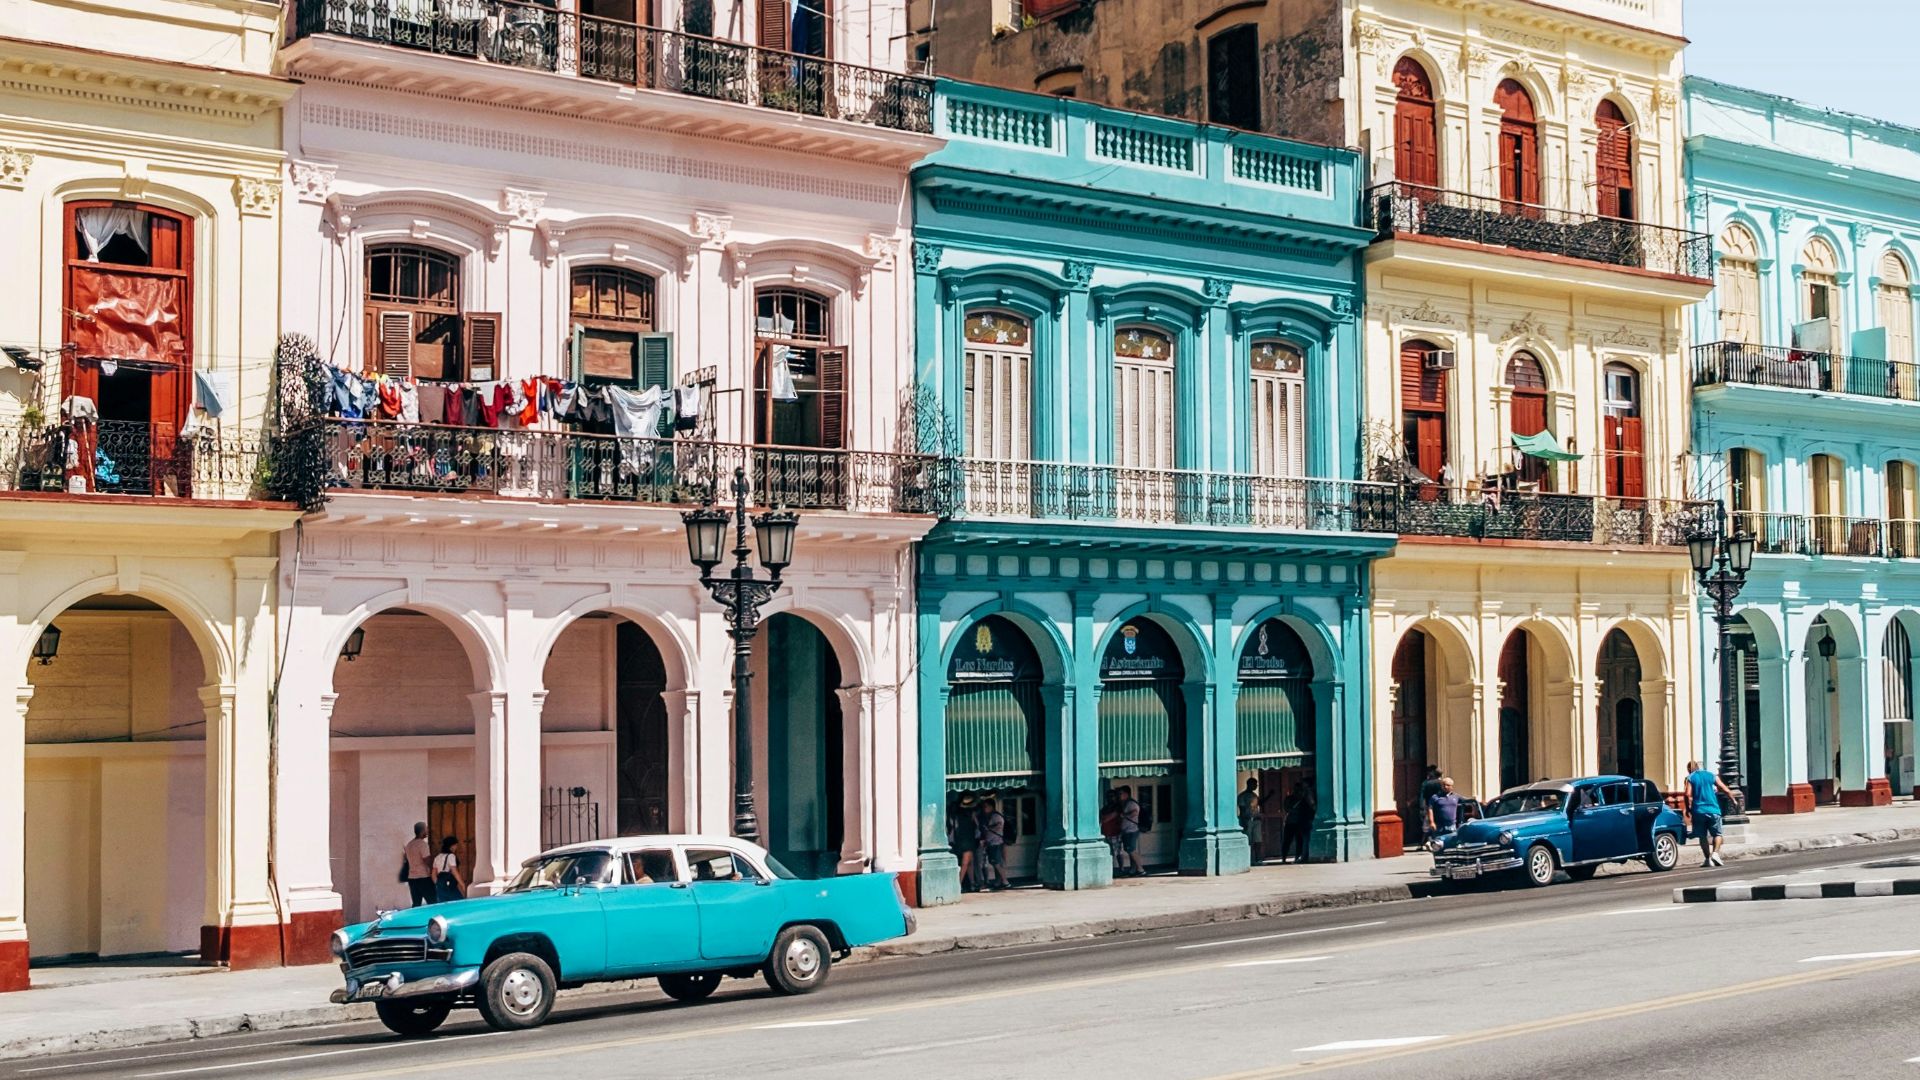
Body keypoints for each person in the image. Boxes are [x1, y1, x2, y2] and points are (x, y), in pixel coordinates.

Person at [1685, 759, 1737, 867]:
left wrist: (1688, 808)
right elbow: (1724, 789)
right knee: (1717, 834)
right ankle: (1715, 854)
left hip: (1698, 811)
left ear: (1690, 769)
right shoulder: (1711, 775)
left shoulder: (1691, 778)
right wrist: (1734, 800)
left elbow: (1687, 794)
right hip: (1713, 810)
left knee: (1702, 836)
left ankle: (1708, 859)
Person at [979, 796, 1011, 891]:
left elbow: (998, 826)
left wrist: (988, 828)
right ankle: (998, 881)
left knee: (996, 862)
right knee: (995, 862)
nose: (984, 809)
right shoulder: (989, 816)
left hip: (995, 842)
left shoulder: (996, 816)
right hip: (992, 842)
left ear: (991, 806)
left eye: (986, 806)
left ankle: (1005, 881)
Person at [950, 795, 980, 892]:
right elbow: (977, 827)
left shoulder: (957, 815)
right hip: (969, 840)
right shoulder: (972, 815)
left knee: (969, 863)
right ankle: (958, 884)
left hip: (961, 840)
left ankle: (972, 884)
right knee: (966, 863)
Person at [1280, 783, 1316, 864]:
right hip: (1291, 822)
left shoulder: (1304, 799)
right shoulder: (1290, 798)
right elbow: (1287, 808)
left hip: (1300, 822)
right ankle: (1284, 858)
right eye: (1297, 790)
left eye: (1300, 790)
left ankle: (1297, 857)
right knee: (1287, 841)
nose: (1298, 792)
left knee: (1299, 841)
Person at [403, 822, 434, 907]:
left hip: (412, 878)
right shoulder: (422, 844)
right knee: (432, 902)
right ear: (422, 830)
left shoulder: (409, 844)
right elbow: (427, 860)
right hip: (423, 877)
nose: (427, 831)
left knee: (416, 904)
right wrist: (434, 871)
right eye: (426, 829)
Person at [1425, 776, 1463, 846]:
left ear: (1452, 786)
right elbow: (1430, 808)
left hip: (1452, 826)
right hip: (1439, 826)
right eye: (1443, 785)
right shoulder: (1435, 797)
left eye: (1448, 785)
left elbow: (1468, 801)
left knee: (1452, 844)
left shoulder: (1456, 796)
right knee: (1438, 844)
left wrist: (1478, 804)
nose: (1445, 787)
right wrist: (1431, 822)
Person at [1117, 785, 1145, 878]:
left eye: (1121, 793)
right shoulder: (1125, 803)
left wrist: (1124, 815)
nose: (1119, 795)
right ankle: (1133, 869)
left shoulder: (1131, 803)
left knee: (1131, 849)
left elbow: (1135, 812)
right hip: (1126, 831)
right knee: (1129, 850)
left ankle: (1140, 869)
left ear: (1126, 794)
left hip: (1131, 830)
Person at [432, 835, 466, 903]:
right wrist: (462, 884)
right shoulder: (451, 856)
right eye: (456, 845)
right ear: (452, 846)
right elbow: (454, 871)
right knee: (459, 904)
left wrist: (438, 884)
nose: (456, 847)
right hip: (449, 885)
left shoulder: (437, 857)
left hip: (440, 886)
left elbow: (433, 874)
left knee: (444, 906)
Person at [1416, 766, 1444, 842]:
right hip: (1440, 806)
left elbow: (1422, 796)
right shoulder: (1442, 783)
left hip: (1428, 806)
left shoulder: (1426, 783)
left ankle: (1423, 842)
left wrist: (1421, 807)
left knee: (1426, 826)